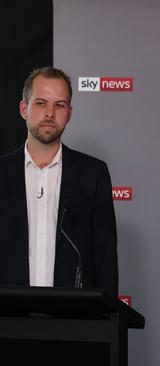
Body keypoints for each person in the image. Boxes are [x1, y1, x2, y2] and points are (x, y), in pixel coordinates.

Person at [0, 67, 118, 297]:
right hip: (8, 318)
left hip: (73, 320)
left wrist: (106, 325)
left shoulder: (93, 174)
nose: (50, 113)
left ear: (69, 113)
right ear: (24, 109)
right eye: (41, 103)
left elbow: (106, 259)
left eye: (59, 105)